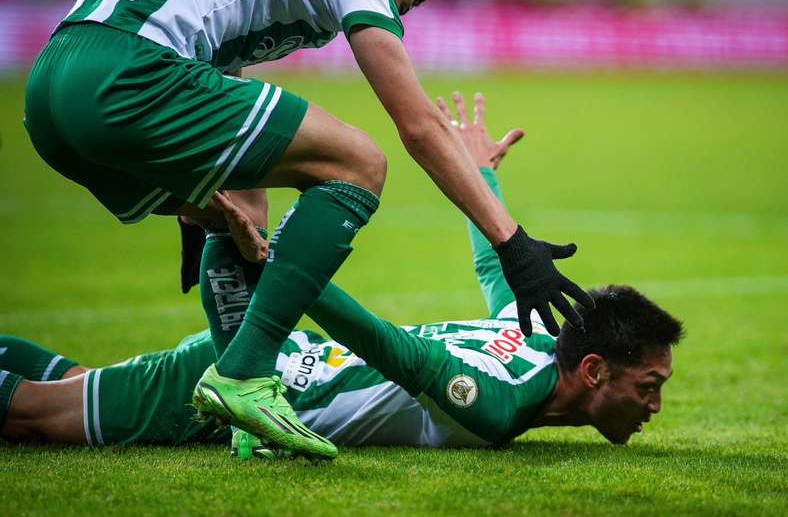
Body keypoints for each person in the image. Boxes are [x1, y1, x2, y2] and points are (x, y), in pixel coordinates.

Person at [22, 0, 593, 459]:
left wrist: (196, 198)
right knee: (358, 163)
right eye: (403, 4)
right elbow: (417, 126)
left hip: (52, 87)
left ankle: (246, 408)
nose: (397, 17)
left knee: (240, 205)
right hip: (127, 71)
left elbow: (214, 49)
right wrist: (512, 244)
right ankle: (244, 374)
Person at [1, 93, 683, 455]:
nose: (655, 407)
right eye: (647, 387)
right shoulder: (500, 407)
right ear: (593, 369)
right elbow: (391, 347)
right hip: (253, 393)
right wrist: (281, 265)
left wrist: (482, 179)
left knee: (68, 386)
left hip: (268, 363)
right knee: (36, 417)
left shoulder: (538, 338)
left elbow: (497, 269)